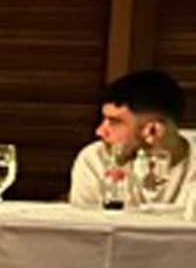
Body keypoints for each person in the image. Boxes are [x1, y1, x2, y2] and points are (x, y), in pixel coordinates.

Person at [69, 69, 194, 209]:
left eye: (115, 122)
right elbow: (85, 221)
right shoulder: (95, 159)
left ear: (153, 130)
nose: (99, 132)